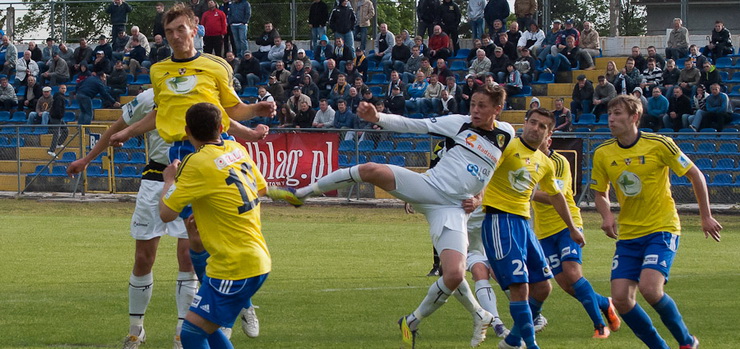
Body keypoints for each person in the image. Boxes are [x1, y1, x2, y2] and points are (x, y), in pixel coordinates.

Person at [269, 84, 516, 348]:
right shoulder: (458, 123)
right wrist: (378, 118)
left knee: (454, 274)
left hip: (452, 209)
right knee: (371, 168)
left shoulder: (507, 134)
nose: (475, 110)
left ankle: (412, 321)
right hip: (428, 187)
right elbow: (413, 125)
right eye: (473, 104)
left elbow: (494, 172)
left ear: (497, 110)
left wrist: (478, 196)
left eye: (482, 106)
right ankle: (301, 194)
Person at [592, 94, 721, 349]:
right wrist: (606, 215)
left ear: (634, 117)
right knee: (620, 299)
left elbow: (696, 175)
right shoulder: (603, 153)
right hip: (629, 235)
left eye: (618, 113)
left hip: (661, 228)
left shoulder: (660, 144)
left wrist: (705, 215)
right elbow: (599, 193)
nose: (611, 119)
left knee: (651, 289)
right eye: (610, 114)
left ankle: (686, 341)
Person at [159, 102, 271, 349]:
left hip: (236, 265)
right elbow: (260, 189)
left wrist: (169, 180)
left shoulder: (195, 162)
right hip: (252, 255)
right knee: (205, 328)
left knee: (191, 334)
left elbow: (166, 213)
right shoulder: (237, 148)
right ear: (222, 127)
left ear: (187, 131)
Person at [481, 108, 583, 349]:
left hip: (524, 224)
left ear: (548, 134)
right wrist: (476, 196)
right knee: (520, 287)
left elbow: (557, 196)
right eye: (532, 123)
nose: (535, 128)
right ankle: (530, 344)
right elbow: (485, 173)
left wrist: (573, 228)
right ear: (524, 123)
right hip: (500, 219)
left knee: (543, 287)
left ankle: (513, 340)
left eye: (541, 126)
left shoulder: (545, 162)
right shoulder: (507, 146)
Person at [532, 134, 620, 339]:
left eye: (542, 137)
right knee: (566, 285)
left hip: (567, 225)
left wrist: (526, 191)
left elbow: (558, 196)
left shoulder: (559, 162)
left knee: (573, 273)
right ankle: (605, 303)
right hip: (544, 232)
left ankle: (600, 326)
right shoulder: (528, 162)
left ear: (549, 141)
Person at [47, 85, 68, 157]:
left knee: (66, 130)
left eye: (65, 88)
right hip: (56, 117)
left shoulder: (60, 97)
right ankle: (51, 150)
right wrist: (59, 115)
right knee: (56, 134)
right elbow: (58, 108)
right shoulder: (59, 97)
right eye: (62, 88)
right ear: (59, 89)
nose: (63, 90)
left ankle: (59, 143)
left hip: (59, 117)